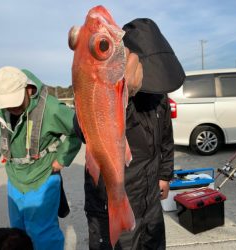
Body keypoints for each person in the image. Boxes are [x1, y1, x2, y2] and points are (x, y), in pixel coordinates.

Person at [74, 18, 185, 250]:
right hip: (112, 201)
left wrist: (165, 175)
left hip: (150, 199)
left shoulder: (159, 97)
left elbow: (166, 138)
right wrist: (123, 96)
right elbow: (84, 128)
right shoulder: (111, 89)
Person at [0, 66, 82, 250]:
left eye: (15, 101)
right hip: (15, 178)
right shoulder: (0, 110)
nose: (12, 107)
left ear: (28, 89)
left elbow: (77, 130)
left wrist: (62, 159)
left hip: (43, 176)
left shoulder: (50, 108)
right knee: (16, 235)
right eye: (7, 104)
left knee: (42, 234)